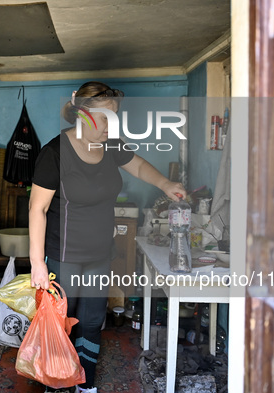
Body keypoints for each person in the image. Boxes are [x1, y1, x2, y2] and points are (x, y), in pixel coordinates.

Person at [29, 81, 186, 393]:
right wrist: (37, 263)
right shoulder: (54, 154)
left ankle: (84, 379)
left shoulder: (111, 146)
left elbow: (138, 165)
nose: (109, 127)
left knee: (91, 320)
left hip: (100, 252)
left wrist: (166, 184)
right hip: (64, 254)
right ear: (82, 115)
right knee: (60, 321)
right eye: (103, 119)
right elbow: (38, 208)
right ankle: (56, 380)